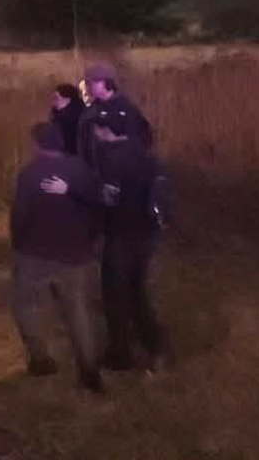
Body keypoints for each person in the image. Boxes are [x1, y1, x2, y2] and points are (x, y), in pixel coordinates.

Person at [10, 123, 104, 391]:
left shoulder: (29, 175)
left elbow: (20, 216)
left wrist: (18, 244)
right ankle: (89, 371)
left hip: (36, 253)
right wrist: (90, 243)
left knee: (26, 306)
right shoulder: (81, 170)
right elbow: (96, 206)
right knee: (78, 311)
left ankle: (40, 359)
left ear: (38, 145)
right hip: (74, 255)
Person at [87, 103, 174, 372]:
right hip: (147, 236)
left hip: (121, 236)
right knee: (137, 292)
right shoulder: (146, 155)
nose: (95, 132)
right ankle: (156, 345)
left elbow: (107, 200)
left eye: (98, 127)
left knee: (114, 296)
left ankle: (120, 354)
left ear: (106, 130)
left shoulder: (110, 159)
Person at [76, 61, 153, 170]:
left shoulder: (126, 108)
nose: (89, 86)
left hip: (122, 170)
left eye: (93, 82)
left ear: (106, 83)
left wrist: (117, 139)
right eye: (88, 83)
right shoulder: (91, 110)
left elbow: (144, 137)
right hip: (95, 170)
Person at [49, 83, 85, 155]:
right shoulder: (58, 116)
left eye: (56, 98)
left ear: (68, 99)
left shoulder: (70, 119)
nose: (53, 101)